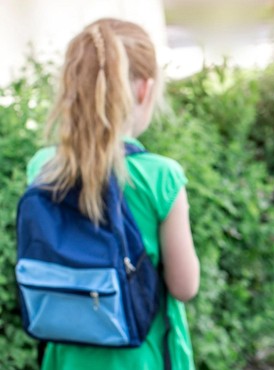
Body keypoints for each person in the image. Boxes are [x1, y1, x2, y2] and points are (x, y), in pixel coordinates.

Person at [25, 18, 200, 369]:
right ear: (143, 90)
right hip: (142, 355)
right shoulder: (160, 176)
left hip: (67, 353)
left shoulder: (43, 166)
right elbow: (184, 286)